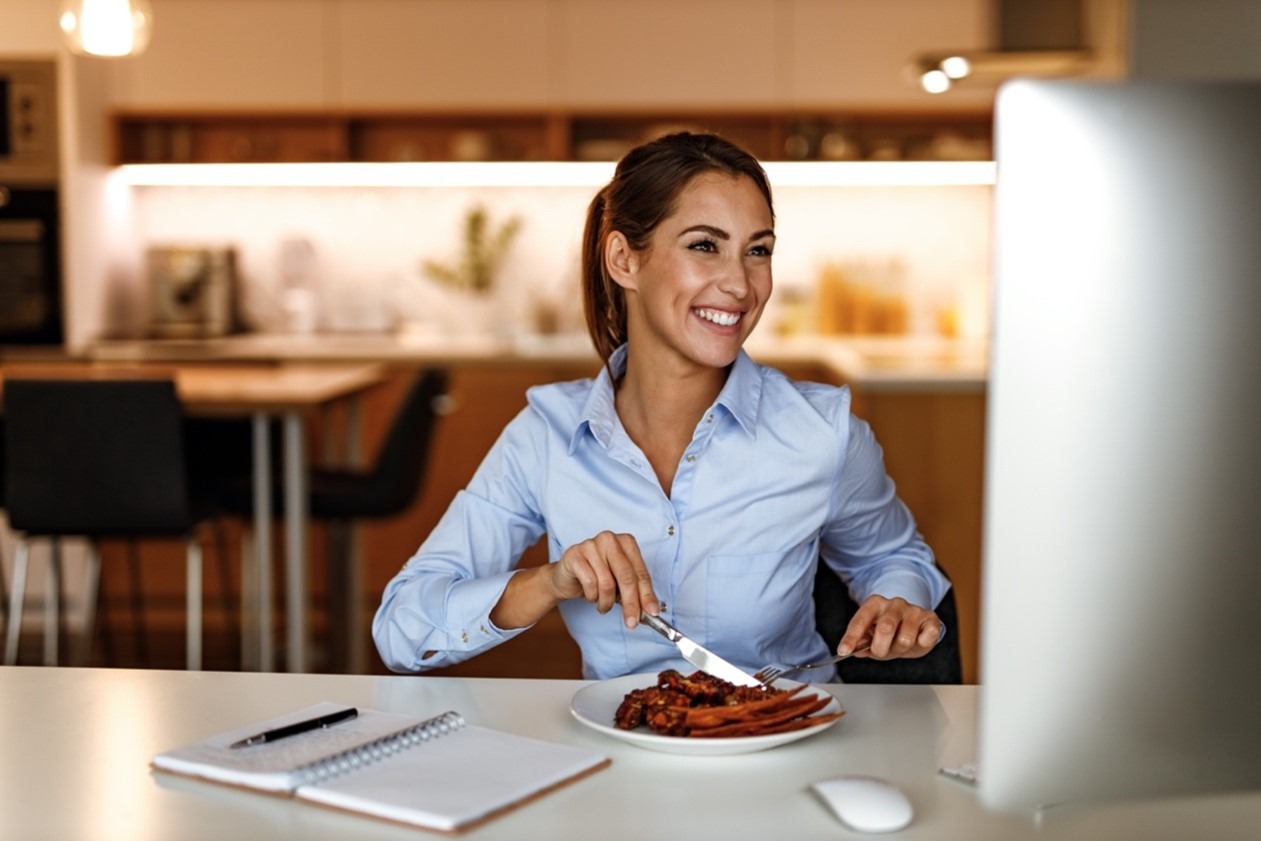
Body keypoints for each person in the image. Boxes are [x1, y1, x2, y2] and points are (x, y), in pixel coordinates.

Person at [373, 132, 949, 681]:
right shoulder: (545, 437)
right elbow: (402, 630)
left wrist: (898, 600)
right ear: (624, 259)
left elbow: (895, 557)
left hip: (789, 742)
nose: (741, 286)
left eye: (758, 251)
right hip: (621, 752)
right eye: (705, 246)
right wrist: (550, 582)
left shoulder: (822, 433)